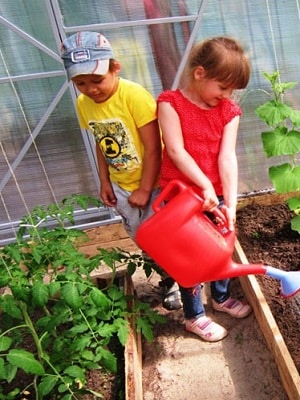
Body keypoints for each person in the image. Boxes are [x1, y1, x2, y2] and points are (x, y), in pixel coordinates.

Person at [60, 31, 182, 310]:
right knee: (143, 240)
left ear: (115, 67)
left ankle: (182, 283)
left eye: (97, 79)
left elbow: (155, 149)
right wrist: (104, 180)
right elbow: (100, 142)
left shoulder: (134, 96)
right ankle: (168, 277)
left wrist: (143, 189)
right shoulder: (83, 104)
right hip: (121, 185)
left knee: (164, 238)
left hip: (154, 186)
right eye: (80, 82)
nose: (90, 89)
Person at [156, 36, 252, 342]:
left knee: (221, 247)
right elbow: (176, 151)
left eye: (232, 90)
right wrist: (203, 185)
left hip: (216, 196)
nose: (226, 95)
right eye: (223, 87)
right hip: (182, 198)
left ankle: (220, 299)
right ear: (200, 74)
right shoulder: (170, 103)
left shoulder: (229, 111)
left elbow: (227, 157)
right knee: (191, 256)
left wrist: (231, 204)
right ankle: (194, 315)